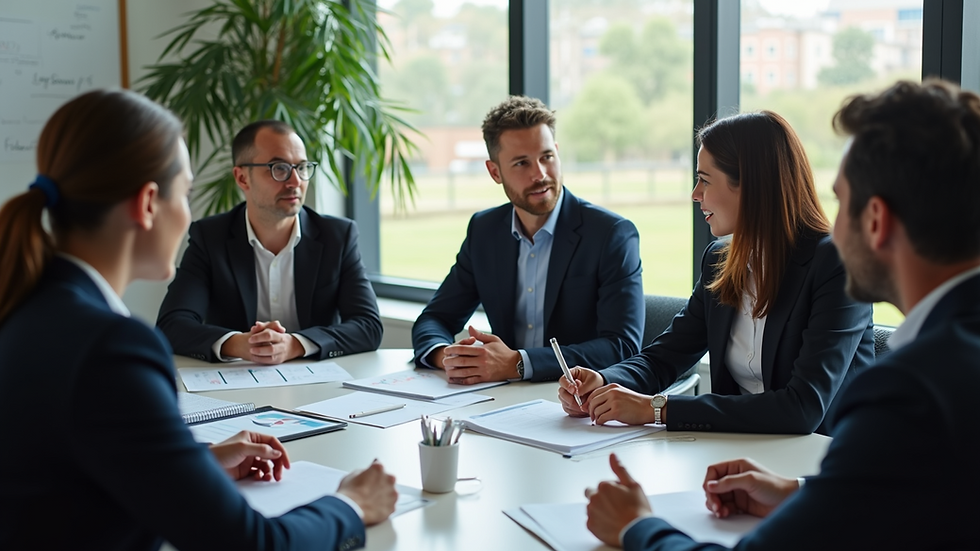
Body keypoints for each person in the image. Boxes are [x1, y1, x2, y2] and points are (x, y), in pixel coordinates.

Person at [584, 79, 980, 549]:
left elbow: (808, 414)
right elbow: (918, 502)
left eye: (843, 201)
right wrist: (800, 494)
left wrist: (636, 527)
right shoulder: (950, 362)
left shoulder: (910, 390)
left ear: (876, 220)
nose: (833, 224)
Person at [0, 89, 397, 550]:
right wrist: (350, 503)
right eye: (185, 192)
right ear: (148, 204)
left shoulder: (29, 308)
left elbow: (84, 463)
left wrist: (195, 461)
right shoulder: (112, 348)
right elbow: (252, 545)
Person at [559, 110, 874, 434]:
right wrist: (603, 381)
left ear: (751, 186)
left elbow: (802, 408)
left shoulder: (835, 265)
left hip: (821, 465)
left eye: (705, 180)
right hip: (737, 455)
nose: (695, 194)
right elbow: (664, 357)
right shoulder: (720, 259)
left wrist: (657, 409)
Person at [411, 95, 645, 384]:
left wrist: (519, 363)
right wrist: (449, 357)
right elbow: (435, 319)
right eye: (521, 163)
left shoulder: (611, 234)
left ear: (557, 153)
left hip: (579, 405)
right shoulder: (484, 231)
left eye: (547, 157)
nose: (540, 174)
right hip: (502, 400)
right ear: (495, 171)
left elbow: (620, 346)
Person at [157, 120, 382, 365]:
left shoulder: (337, 236)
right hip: (236, 383)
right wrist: (240, 343)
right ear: (242, 178)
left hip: (318, 386)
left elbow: (368, 326)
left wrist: (296, 345)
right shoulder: (210, 238)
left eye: (302, 167)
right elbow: (172, 324)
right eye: (279, 168)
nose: (296, 181)